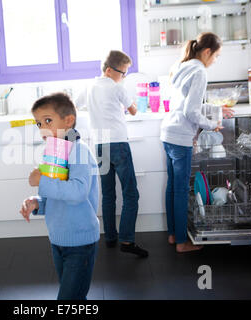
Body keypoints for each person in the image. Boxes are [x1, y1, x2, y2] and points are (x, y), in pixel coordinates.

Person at [19, 93, 100, 300]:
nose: (42, 129)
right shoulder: (53, 153)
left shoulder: (79, 152)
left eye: (47, 121)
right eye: (38, 124)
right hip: (58, 239)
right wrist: (37, 202)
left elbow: (78, 193)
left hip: (80, 242)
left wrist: (42, 182)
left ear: (69, 121)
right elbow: (56, 195)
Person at [160, 32, 234, 253]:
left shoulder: (183, 66)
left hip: (167, 132)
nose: (215, 61)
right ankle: (182, 243)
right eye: (216, 56)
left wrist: (216, 110)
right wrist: (213, 125)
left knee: (173, 187)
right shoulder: (200, 71)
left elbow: (186, 105)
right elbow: (191, 112)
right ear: (207, 51)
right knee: (181, 190)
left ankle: (174, 235)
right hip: (181, 136)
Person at [76, 50, 148, 258]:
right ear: (109, 71)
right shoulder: (117, 87)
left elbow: (74, 105)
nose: (124, 77)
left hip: (99, 145)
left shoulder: (89, 86)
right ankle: (127, 239)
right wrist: (128, 102)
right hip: (118, 144)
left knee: (108, 194)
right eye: (123, 73)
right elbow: (133, 110)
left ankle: (109, 237)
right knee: (130, 193)